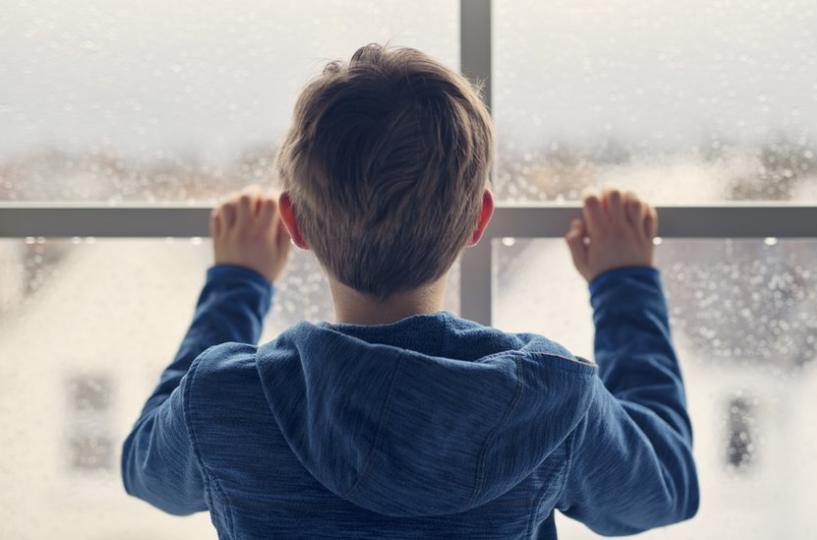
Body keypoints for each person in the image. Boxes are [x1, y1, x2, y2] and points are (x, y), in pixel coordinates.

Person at [121, 44, 698, 539]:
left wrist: (236, 285)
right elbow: (666, 486)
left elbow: (144, 468)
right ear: (479, 221)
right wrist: (626, 285)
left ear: (293, 224)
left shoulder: (225, 399)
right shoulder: (551, 398)